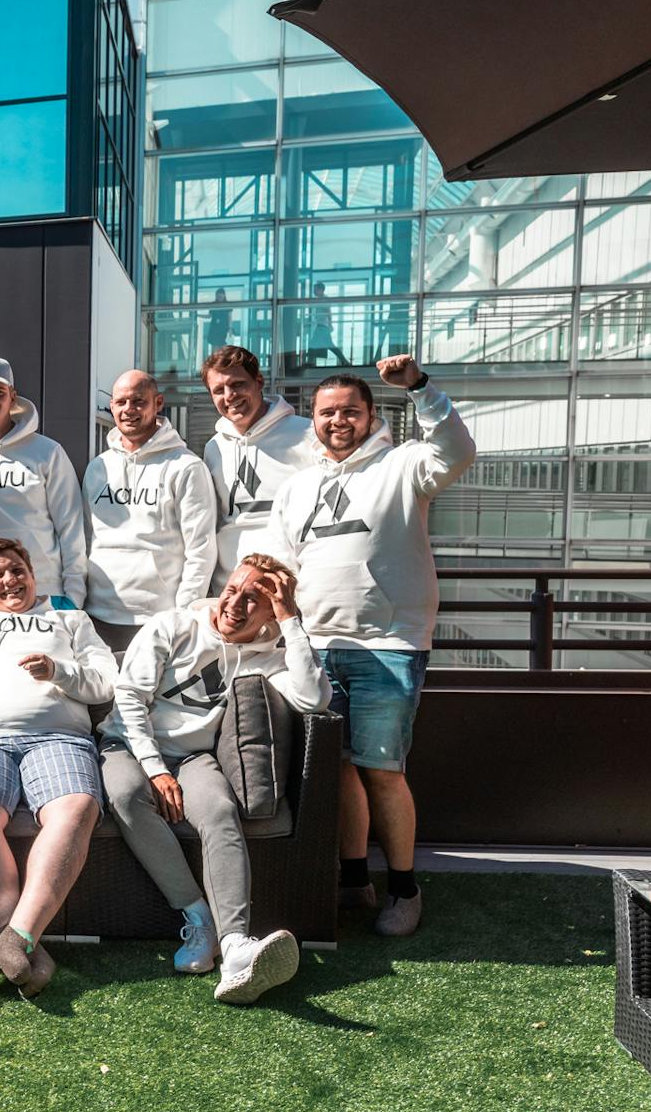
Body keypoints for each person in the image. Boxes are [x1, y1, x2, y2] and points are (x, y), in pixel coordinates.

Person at [268, 354, 475, 936]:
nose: (338, 421)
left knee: (382, 769)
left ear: (371, 415)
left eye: (350, 411)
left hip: (387, 644)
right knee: (336, 772)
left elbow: (458, 451)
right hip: (314, 645)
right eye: (327, 413)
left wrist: (421, 388)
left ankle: (404, 887)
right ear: (312, 420)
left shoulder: (405, 464)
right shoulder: (299, 486)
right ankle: (355, 880)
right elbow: (281, 560)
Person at [100, 555, 330, 1004]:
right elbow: (129, 700)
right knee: (127, 795)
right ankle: (198, 918)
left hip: (194, 756)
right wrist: (156, 770)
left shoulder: (268, 655)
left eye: (254, 600)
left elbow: (314, 699)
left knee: (220, 811)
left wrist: (291, 622)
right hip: (128, 745)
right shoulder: (172, 625)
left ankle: (236, 948)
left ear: (271, 613)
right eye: (233, 590)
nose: (235, 604)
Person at [0, 539, 117, 997]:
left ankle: (17, 935)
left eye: (17, 570)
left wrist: (59, 671)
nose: (10, 580)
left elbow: (106, 682)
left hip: (60, 737)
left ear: (34, 574)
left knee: (76, 807)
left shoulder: (69, 620)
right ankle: (18, 943)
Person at [82, 370, 216, 652]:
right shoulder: (99, 467)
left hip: (159, 619)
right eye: (120, 402)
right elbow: (85, 536)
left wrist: (183, 615)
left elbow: (201, 548)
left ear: (158, 403)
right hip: (98, 614)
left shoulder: (186, 467)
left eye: (138, 401)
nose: (128, 409)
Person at [0, 356, 86, 611]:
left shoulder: (48, 452)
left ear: (12, 397)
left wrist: (74, 597)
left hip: (44, 592)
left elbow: (71, 527)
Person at [198, 346, 316, 584]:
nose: (229, 395)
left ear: (259, 381)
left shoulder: (308, 434)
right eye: (219, 390)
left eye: (238, 384)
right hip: (230, 587)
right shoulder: (214, 448)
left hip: (291, 584)